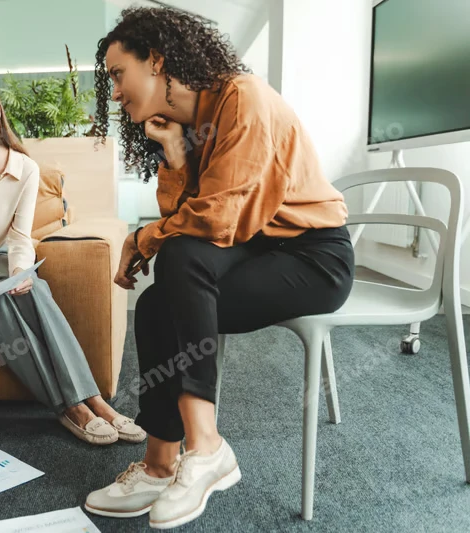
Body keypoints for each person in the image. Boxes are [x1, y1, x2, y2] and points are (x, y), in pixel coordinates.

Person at [84, 6, 355, 530]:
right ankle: (162, 462)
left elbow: (216, 220)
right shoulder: (191, 122)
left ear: (158, 61)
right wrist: (175, 156)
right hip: (258, 247)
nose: (114, 92)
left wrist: (143, 238)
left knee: (180, 261)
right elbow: (191, 217)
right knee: (162, 297)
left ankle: (206, 446)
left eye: (119, 74)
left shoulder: (243, 99)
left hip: (315, 258)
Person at [0, 75, 145, 445]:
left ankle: (94, 401)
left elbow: (20, 238)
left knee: (32, 287)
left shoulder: (25, 169)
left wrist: (21, 270)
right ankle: (71, 408)